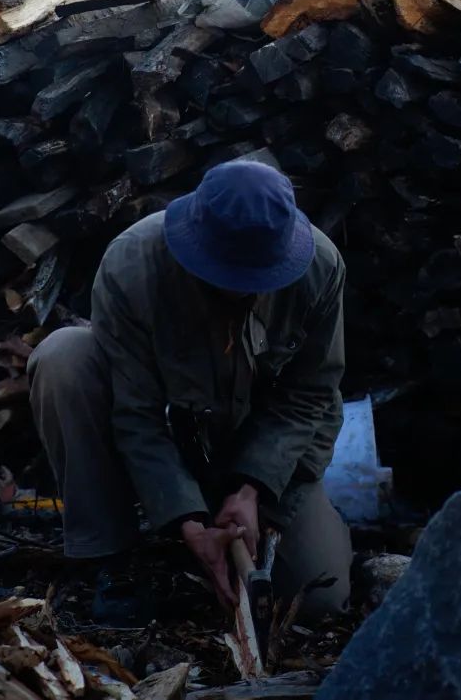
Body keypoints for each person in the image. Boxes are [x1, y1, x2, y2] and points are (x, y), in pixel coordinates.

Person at [29, 158, 352, 623]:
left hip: (265, 453)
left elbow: (309, 395)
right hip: (171, 441)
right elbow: (135, 412)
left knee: (318, 601)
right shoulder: (133, 264)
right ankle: (113, 556)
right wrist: (187, 519)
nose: (240, 292)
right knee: (65, 357)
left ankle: (304, 525)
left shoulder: (320, 268)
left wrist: (252, 489)